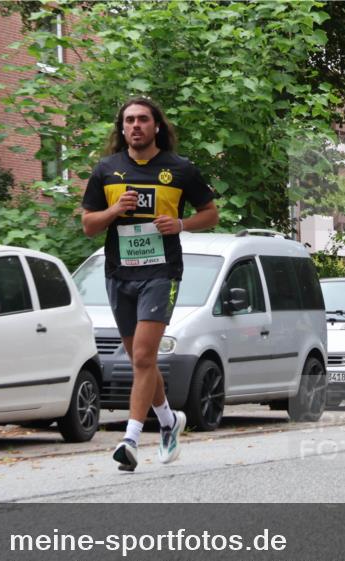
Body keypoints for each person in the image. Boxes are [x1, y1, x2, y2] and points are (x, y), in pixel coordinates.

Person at [82, 97, 219, 471]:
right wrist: (113, 211)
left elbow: (211, 213)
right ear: (121, 128)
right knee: (139, 360)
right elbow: (88, 224)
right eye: (129, 120)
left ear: (156, 125)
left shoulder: (179, 169)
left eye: (143, 119)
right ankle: (169, 420)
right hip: (119, 274)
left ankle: (129, 440)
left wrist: (181, 224)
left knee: (143, 356)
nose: (136, 126)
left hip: (161, 272)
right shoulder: (107, 170)